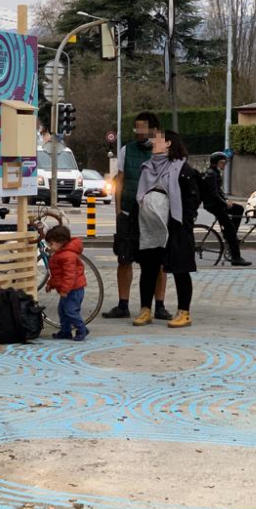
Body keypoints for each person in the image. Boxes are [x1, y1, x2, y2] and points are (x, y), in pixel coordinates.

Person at [102, 112, 171, 321]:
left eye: (142, 128)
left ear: (154, 128)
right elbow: (120, 181)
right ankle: (123, 304)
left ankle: (159, 305)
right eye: (136, 128)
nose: (139, 132)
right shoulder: (127, 150)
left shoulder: (163, 149)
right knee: (124, 259)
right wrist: (118, 211)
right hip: (129, 213)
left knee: (158, 262)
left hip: (154, 214)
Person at [132, 130, 200, 329]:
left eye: (158, 139)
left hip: (175, 226)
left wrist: (183, 222)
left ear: (169, 143)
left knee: (180, 269)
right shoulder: (147, 167)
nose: (153, 142)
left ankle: (184, 312)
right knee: (148, 268)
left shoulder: (182, 169)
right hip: (149, 226)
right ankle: (145, 310)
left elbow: (192, 199)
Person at [203, 152, 251, 266]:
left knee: (238, 209)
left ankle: (229, 234)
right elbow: (213, 194)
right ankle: (236, 258)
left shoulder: (215, 172)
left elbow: (218, 192)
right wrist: (225, 203)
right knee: (231, 232)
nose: (225, 165)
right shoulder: (211, 174)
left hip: (218, 204)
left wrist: (226, 200)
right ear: (218, 162)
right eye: (223, 162)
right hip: (214, 206)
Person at [44, 225, 88, 341]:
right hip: (68, 289)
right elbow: (58, 274)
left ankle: (82, 329)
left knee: (71, 311)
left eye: (51, 244)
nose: (50, 247)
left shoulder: (68, 256)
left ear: (61, 242)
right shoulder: (60, 254)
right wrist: (51, 283)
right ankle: (65, 331)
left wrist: (65, 290)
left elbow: (70, 276)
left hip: (73, 289)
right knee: (62, 311)